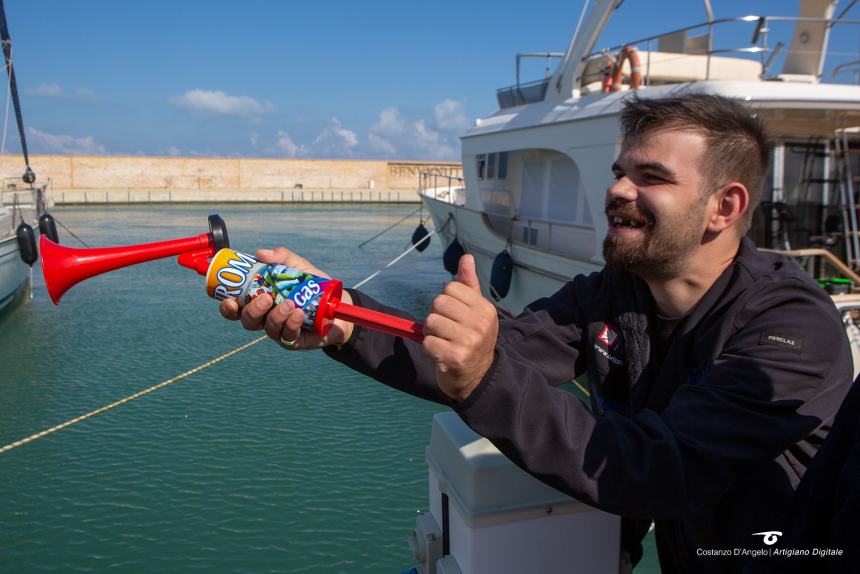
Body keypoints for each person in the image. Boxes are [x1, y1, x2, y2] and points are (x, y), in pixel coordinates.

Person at [220, 94, 854, 572]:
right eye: (618, 170)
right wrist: (339, 319)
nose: (617, 189)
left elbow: (660, 467)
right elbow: (496, 354)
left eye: (651, 177)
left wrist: (481, 376)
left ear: (725, 207)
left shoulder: (792, 331)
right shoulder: (614, 291)